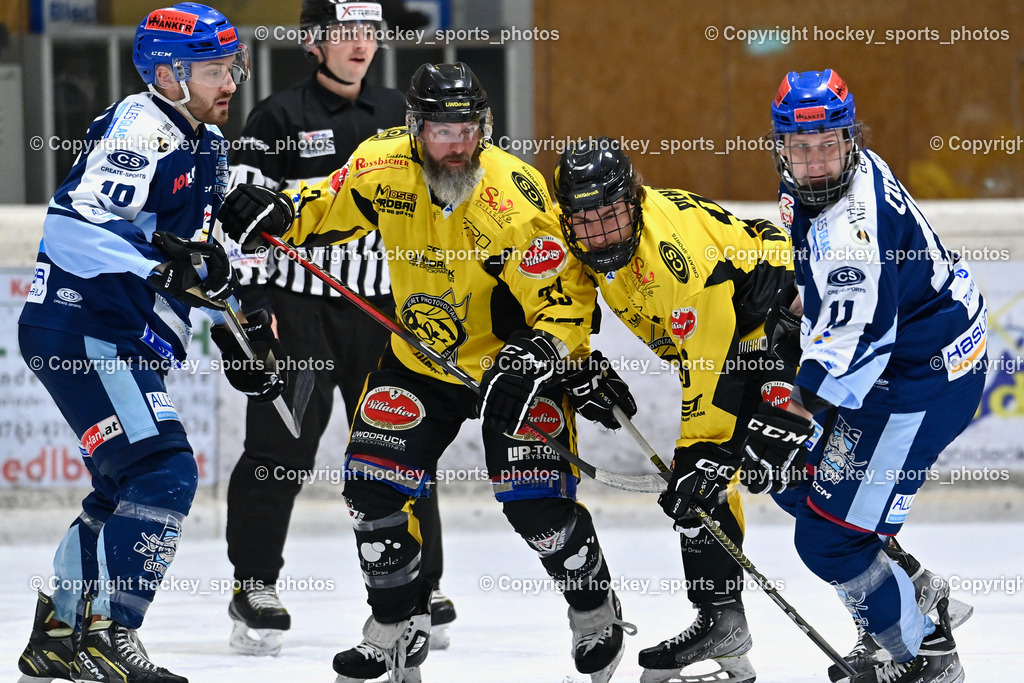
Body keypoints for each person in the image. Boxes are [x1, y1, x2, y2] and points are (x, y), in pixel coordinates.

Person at [219, 61, 636, 683]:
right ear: (414, 128)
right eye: (442, 131)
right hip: (420, 358)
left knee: (535, 505)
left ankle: (593, 608)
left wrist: (542, 353)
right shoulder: (380, 164)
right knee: (373, 489)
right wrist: (278, 211)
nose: (456, 145)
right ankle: (394, 622)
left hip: (511, 369)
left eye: (467, 129)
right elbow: (326, 205)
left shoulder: (513, 196)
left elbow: (564, 297)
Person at [14, 4, 281, 682]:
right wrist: (165, 268)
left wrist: (237, 325)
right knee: (165, 472)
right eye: (218, 69)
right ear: (168, 74)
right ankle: (110, 633)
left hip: (112, 333)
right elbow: (68, 229)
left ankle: (58, 631)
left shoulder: (206, 141)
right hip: (85, 326)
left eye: (234, 66)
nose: (233, 81)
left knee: (123, 486)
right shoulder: (142, 128)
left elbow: (194, 257)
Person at [220, 0, 455, 656]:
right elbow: (240, 227)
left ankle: (421, 584)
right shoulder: (276, 117)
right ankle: (254, 583)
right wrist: (255, 306)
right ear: (312, 42)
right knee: (278, 450)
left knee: (402, 440)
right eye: (345, 33)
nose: (360, 45)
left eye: (369, 33)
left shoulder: (398, 116)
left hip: (381, 309)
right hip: (299, 315)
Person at [743, 68, 987, 683]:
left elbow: (856, 341)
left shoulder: (852, 229)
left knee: (829, 541)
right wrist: (801, 304)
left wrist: (790, 416)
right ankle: (912, 592)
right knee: (797, 482)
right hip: (906, 360)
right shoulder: (834, 177)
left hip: (923, 381)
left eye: (828, 144)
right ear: (780, 147)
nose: (818, 161)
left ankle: (924, 656)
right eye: (802, 147)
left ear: (849, 139)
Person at [552, 138, 795, 683]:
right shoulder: (582, 233)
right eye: (584, 221)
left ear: (633, 201)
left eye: (610, 216)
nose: (599, 233)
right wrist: (579, 363)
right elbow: (559, 295)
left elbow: (711, 368)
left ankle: (904, 591)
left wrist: (706, 454)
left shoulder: (675, 264)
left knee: (760, 475)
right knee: (707, 487)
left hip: (780, 325)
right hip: (732, 331)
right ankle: (722, 622)